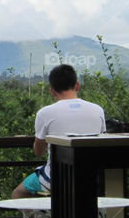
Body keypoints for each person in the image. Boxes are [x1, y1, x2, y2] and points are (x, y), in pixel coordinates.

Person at [12, 64, 106, 199]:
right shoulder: (97, 110)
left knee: (18, 193)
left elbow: (39, 153)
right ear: (77, 85)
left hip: (56, 178)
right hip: (90, 177)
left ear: (52, 90)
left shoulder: (45, 113)